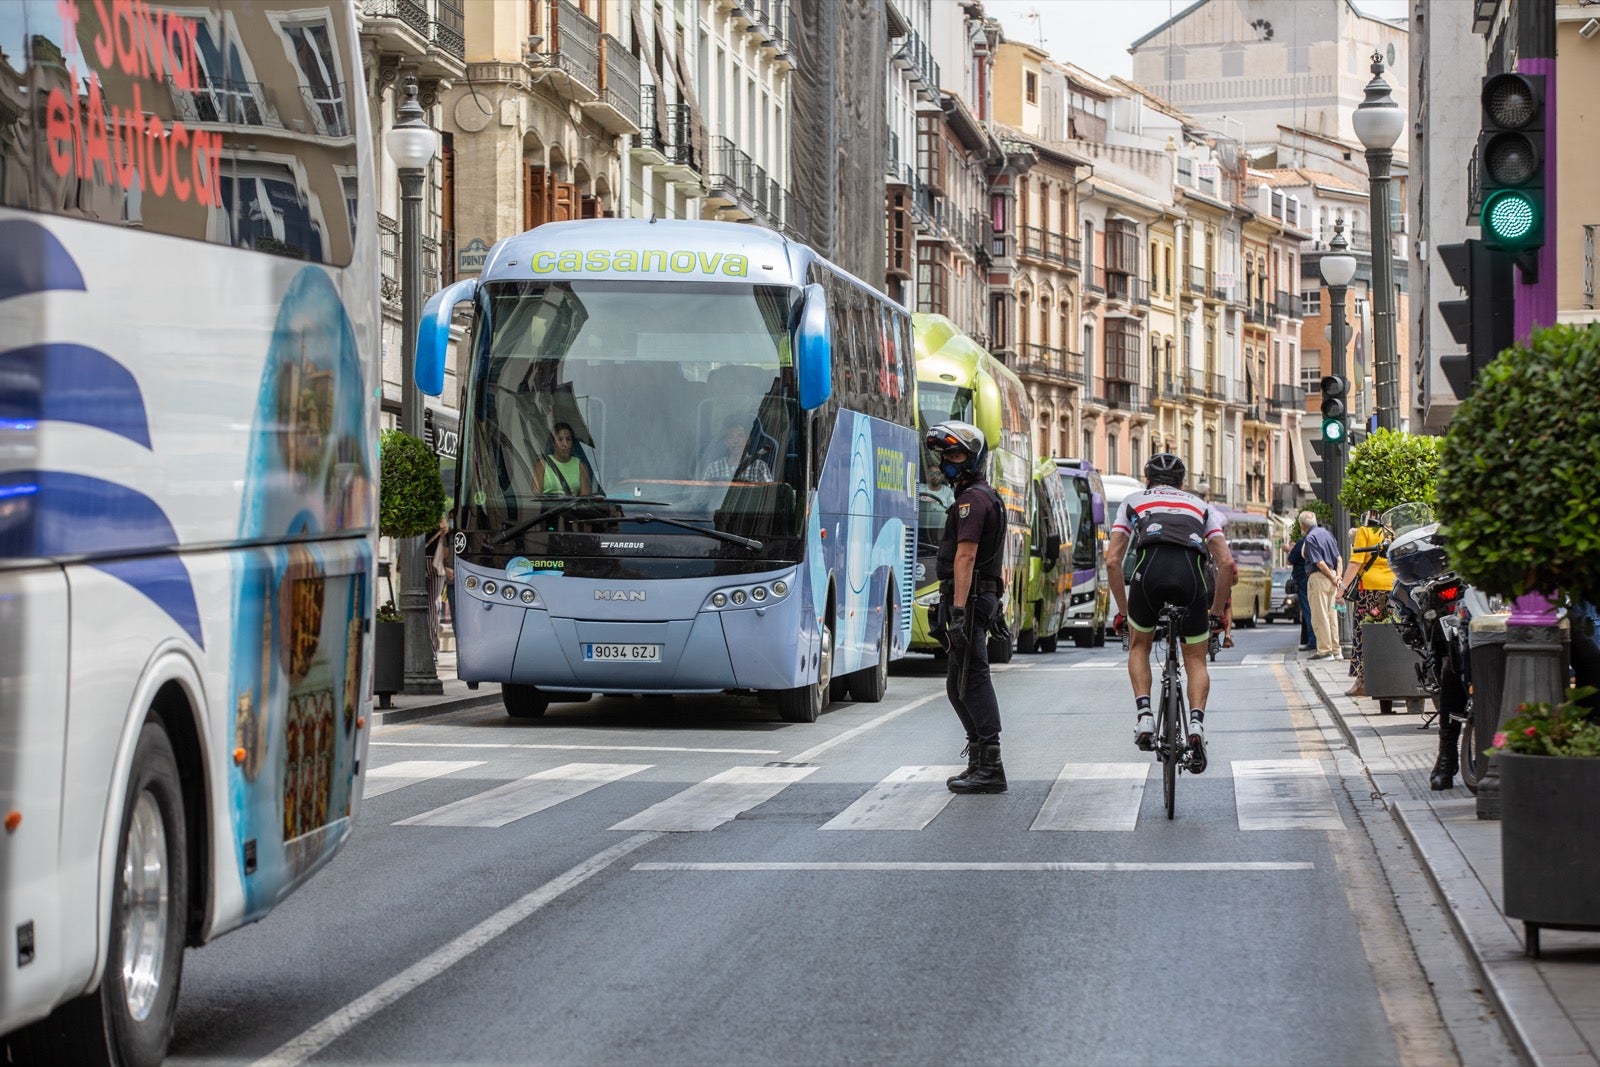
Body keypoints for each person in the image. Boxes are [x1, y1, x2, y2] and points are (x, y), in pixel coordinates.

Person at [1107, 453, 1235, 773]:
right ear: (1182, 483)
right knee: (1195, 659)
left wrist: (1124, 613)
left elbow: (1112, 560)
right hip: (1191, 578)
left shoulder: (1133, 501)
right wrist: (1217, 613)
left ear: (1147, 480)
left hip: (1148, 575)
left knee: (1140, 645)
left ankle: (1145, 715)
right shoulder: (1202, 507)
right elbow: (1227, 565)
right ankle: (1195, 725)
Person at [927, 420, 1008, 795]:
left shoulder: (972, 501)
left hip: (971, 598)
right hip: (977, 596)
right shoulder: (983, 495)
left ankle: (990, 765)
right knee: (957, 684)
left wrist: (959, 610)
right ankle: (978, 756)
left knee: (971, 679)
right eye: (945, 456)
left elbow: (967, 556)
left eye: (956, 455)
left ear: (973, 458)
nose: (948, 463)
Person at [1340, 509, 1395, 697]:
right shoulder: (1391, 532)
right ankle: (1386, 677)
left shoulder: (1364, 532)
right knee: (1386, 632)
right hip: (1390, 589)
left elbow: (1355, 562)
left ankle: (1362, 681)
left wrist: (1342, 588)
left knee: (1363, 633)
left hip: (1369, 590)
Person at [1299, 510, 1343, 661]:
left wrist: (1331, 577)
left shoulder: (1310, 538)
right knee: (1332, 615)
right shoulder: (1327, 534)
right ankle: (1336, 650)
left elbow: (1319, 562)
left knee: (1320, 615)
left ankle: (1325, 651)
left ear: (1302, 525)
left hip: (1319, 577)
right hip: (1332, 578)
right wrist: (1337, 577)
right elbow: (1339, 558)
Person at [532, 421, 594, 496]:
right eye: (560, 440)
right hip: (548, 507)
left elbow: (585, 500)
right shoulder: (542, 465)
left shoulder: (581, 466)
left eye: (568, 439)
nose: (565, 444)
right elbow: (536, 497)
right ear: (553, 443)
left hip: (572, 507)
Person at [702, 418, 773, 482]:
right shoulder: (713, 468)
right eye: (730, 437)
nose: (736, 441)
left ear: (748, 440)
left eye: (740, 436)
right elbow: (702, 492)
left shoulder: (759, 466)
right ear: (726, 442)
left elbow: (769, 491)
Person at [424, 514, 453, 656]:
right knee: (433, 606)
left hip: (421, 563)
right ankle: (432, 649)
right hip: (437, 564)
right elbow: (446, 547)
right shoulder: (443, 524)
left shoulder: (417, 520)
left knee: (430, 606)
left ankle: (430, 648)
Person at [1286, 532, 1316, 651]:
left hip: (1303, 579)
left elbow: (1290, 560)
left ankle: (1312, 641)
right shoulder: (1323, 539)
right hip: (1318, 578)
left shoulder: (1302, 542)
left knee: (1308, 611)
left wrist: (1289, 550)